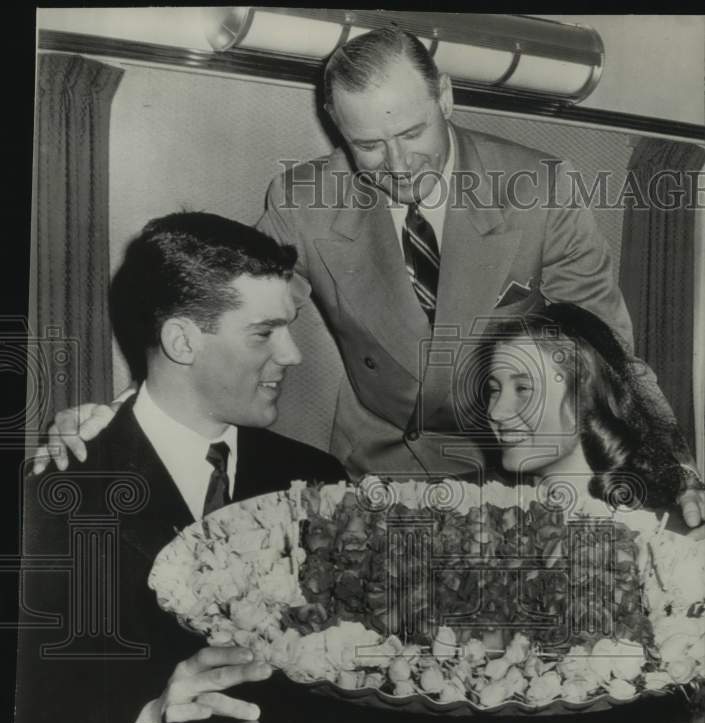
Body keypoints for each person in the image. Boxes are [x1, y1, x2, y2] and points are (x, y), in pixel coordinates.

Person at [32, 26, 705, 529]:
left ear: (445, 96)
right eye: (368, 145)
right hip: (373, 469)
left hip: (505, 465)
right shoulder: (304, 200)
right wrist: (122, 418)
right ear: (335, 126)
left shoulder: (540, 188)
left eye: (412, 133)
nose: (397, 164)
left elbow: (607, 348)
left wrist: (666, 460)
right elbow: (230, 317)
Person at [16, 212, 346, 723]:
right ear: (182, 343)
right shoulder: (52, 501)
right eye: (264, 333)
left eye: (288, 328)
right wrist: (149, 713)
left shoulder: (318, 480)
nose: (293, 354)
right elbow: (30, 716)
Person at [479, 301, 692, 511]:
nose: (495, 411)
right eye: (494, 390)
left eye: (523, 389)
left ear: (585, 398)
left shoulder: (662, 536)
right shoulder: (482, 506)